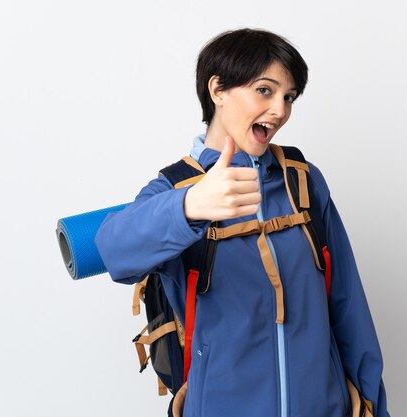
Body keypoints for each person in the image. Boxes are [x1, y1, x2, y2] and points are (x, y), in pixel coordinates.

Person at [95, 28, 390, 417]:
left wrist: (372, 405)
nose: (280, 110)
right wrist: (189, 205)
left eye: (289, 97)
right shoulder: (175, 189)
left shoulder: (301, 180)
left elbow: (349, 306)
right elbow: (114, 251)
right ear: (218, 89)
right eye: (264, 90)